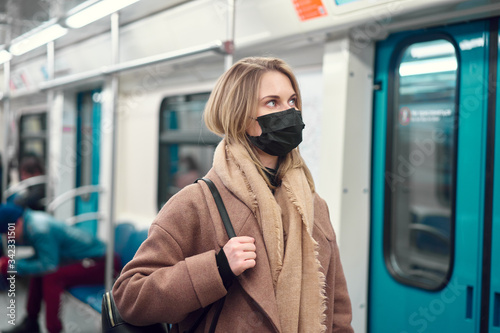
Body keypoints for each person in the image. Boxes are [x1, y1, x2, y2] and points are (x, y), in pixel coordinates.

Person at [113, 57, 353, 332]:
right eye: (272, 102)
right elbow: (130, 297)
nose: (289, 112)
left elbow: (337, 312)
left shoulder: (312, 205)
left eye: (292, 101)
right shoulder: (195, 203)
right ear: (240, 116)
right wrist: (217, 268)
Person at [0, 203, 112, 333]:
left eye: (8, 232)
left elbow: (49, 265)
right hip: (85, 260)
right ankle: (31, 323)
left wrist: (11, 265)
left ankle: (53, 329)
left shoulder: (39, 229)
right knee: (40, 272)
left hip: (102, 263)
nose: (9, 237)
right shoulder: (32, 222)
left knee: (51, 276)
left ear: (17, 223)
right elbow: (42, 260)